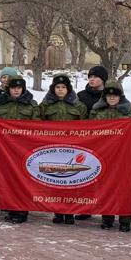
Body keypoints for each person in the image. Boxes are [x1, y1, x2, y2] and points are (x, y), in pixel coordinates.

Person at [90, 80, 131, 232]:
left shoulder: (129, 111)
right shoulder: (97, 112)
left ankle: (125, 219)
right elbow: (89, 132)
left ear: (120, 96)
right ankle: (107, 217)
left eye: (115, 95)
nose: (111, 98)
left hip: (124, 157)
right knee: (106, 187)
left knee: (124, 188)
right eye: (108, 95)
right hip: (103, 156)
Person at [39, 73, 88, 224]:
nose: (60, 90)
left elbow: (86, 127)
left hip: (72, 151)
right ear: (53, 89)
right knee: (55, 181)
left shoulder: (79, 106)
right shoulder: (45, 105)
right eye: (57, 87)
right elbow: (37, 125)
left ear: (68, 89)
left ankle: (70, 212)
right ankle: (58, 212)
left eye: (63, 87)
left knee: (71, 182)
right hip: (52, 150)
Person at [0, 75, 39, 223]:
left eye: (19, 88)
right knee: (8, 180)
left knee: (22, 181)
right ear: (8, 89)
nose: (16, 90)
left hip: (23, 151)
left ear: (23, 89)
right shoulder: (0, 104)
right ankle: (11, 207)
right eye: (13, 88)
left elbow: (38, 127)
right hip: (5, 150)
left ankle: (21, 211)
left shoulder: (31, 105)